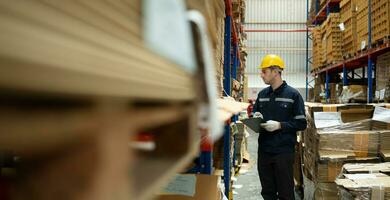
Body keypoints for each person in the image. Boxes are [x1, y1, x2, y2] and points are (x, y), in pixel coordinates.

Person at [253, 54, 307, 200]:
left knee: (285, 193)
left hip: (283, 152)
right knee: (268, 193)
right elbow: (255, 115)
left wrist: (280, 125)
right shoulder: (262, 95)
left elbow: (302, 123)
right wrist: (255, 118)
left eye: (264, 71)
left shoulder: (293, 95)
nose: (261, 75)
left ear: (275, 71)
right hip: (264, 151)